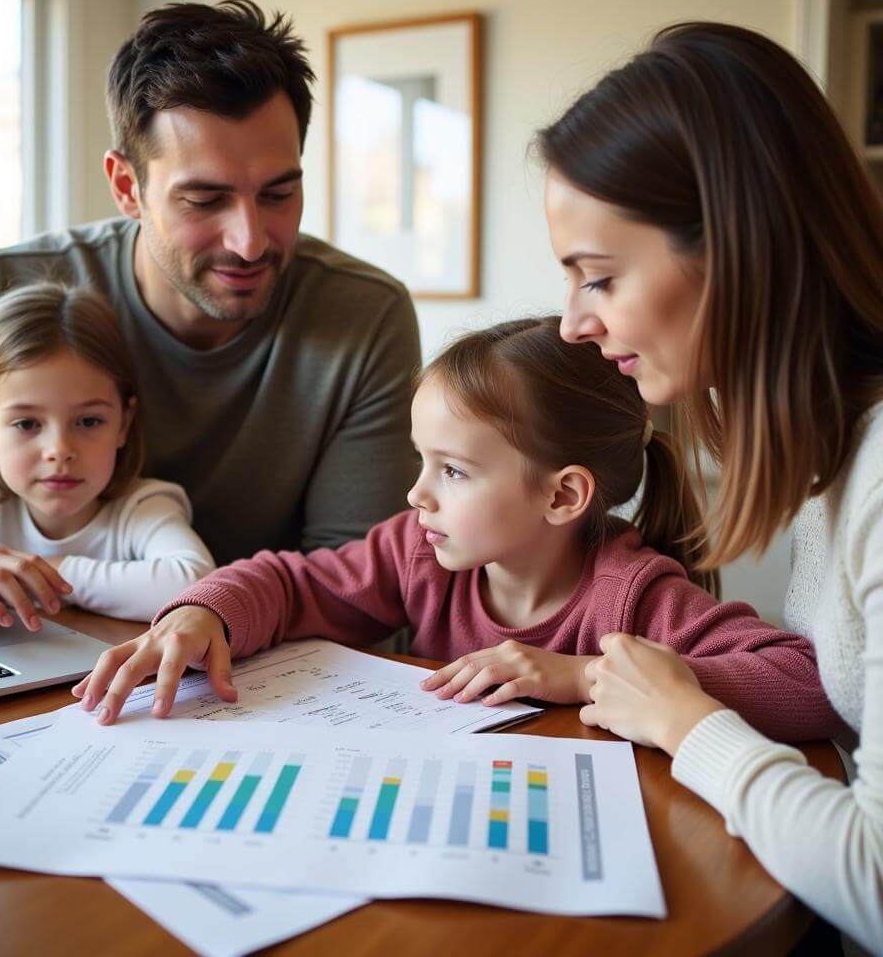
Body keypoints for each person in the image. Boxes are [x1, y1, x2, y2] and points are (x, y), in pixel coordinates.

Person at [0, 0, 420, 624]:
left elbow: (358, 589)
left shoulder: (363, 316)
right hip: (24, 666)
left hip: (246, 677)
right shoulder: (8, 292)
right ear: (127, 186)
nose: (251, 241)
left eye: (279, 193)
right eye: (204, 199)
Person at [71, 316, 842, 758]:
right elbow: (294, 582)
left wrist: (578, 676)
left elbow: (809, 685)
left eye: (454, 471)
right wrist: (202, 614)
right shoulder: (417, 550)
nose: (417, 493)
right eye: (422, 461)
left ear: (562, 494)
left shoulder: (632, 595)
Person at [536, 22, 883, 951]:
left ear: (738, 246)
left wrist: (690, 724)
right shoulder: (838, 458)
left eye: (599, 278)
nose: (574, 322)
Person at [0, 283, 214, 626]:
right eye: (27, 423)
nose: (59, 450)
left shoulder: (140, 509)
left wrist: (55, 572)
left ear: (123, 424)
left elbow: (196, 582)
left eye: (88, 421)